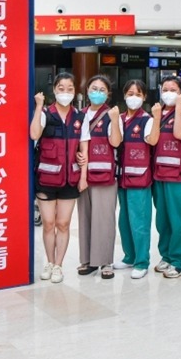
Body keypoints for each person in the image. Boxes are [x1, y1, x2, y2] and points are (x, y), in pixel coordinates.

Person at [30, 73, 83, 284]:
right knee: (49, 223)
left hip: (70, 179)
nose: (65, 92)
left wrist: (84, 171)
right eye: (61, 88)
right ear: (55, 90)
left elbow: (84, 147)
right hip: (46, 179)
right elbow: (34, 134)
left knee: (63, 223)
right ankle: (49, 262)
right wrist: (38, 105)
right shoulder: (45, 113)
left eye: (70, 88)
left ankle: (59, 265)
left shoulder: (79, 117)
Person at [113, 80, 161, 279]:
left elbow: (153, 140)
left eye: (138, 94)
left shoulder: (146, 119)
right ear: (124, 96)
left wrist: (157, 118)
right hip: (122, 177)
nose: (133, 97)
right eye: (130, 93)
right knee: (124, 220)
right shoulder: (119, 118)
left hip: (140, 178)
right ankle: (129, 256)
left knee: (139, 221)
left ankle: (142, 261)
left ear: (144, 97)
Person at [77, 75, 123, 279]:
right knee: (85, 217)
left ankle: (105, 261)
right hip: (83, 175)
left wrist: (114, 121)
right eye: (93, 88)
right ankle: (87, 260)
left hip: (105, 175)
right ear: (87, 91)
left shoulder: (113, 115)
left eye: (101, 90)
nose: (97, 92)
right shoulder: (80, 115)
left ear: (108, 94)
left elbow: (115, 142)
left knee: (104, 219)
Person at [152, 76, 181, 278]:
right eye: (165, 89)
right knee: (162, 220)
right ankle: (166, 255)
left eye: (173, 90)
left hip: (179, 176)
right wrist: (158, 116)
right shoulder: (156, 114)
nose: (168, 93)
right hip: (159, 174)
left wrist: (178, 108)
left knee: (178, 220)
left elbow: (179, 134)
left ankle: (179, 261)